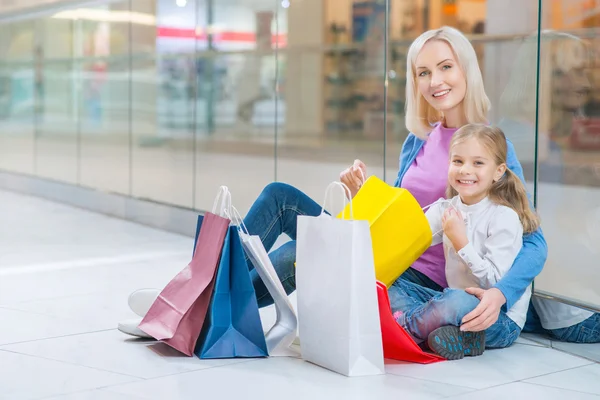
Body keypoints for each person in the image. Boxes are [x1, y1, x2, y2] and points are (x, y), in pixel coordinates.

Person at [118, 26, 547, 339]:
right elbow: (402, 212)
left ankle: (189, 311)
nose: (435, 81)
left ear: (466, 70)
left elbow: (534, 241)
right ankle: (198, 292)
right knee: (279, 197)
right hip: (383, 244)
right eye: (422, 73)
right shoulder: (416, 142)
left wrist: (501, 296)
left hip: (414, 276)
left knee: (297, 253)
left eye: (446, 67)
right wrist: (366, 195)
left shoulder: (488, 147)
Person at [389, 124, 540, 360]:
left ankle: (404, 331)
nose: (465, 170)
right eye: (457, 161)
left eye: (478, 163)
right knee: (388, 284)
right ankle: (440, 330)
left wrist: (461, 243)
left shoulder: (504, 217)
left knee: (454, 301)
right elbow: (408, 241)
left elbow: (495, 281)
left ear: (498, 171)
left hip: (497, 316)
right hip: (452, 298)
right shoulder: (445, 208)